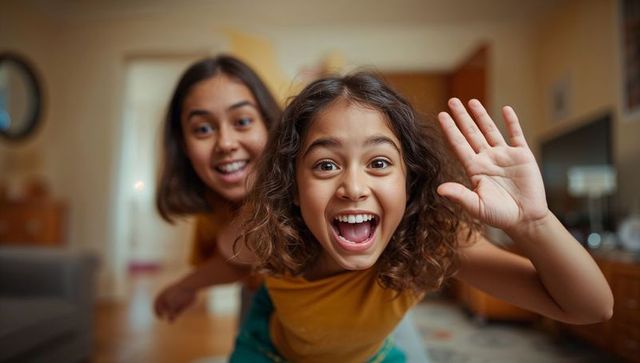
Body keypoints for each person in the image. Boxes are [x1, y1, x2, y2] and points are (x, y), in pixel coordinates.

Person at [231, 72, 614, 362]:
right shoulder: (270, 230)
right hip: (270, 350)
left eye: (379, 162)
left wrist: (533, 223)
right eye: (326, 165)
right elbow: (223, 254)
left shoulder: (431, 240)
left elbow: (590, 308)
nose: (353, 187)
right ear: (293, 190)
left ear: (410, 183)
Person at [153, 57, 429, 362]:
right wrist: (186, 285)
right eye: (203, 128)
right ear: (184, 146)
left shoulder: (316, 193)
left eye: (243, 121)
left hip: (365, 299)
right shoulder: (213, 210)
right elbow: (233, 262)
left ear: (275, 129)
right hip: (270, 299)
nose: (226, 143)